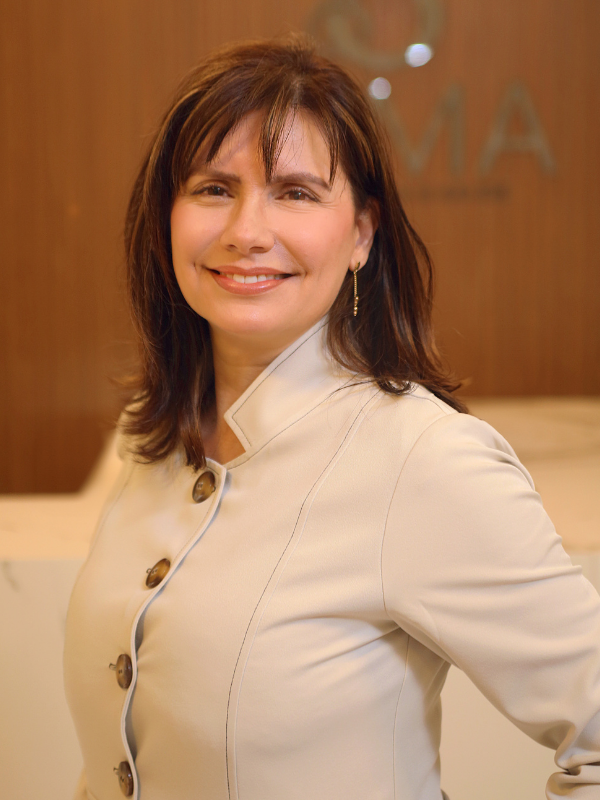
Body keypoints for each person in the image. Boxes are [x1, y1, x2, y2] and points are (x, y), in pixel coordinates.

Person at [64, 35, 600, 800]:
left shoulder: (423, 459)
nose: (247, 230)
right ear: (165, 219)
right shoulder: (146, 438)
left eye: (296, 193)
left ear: (362, 234)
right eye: (213, 188)